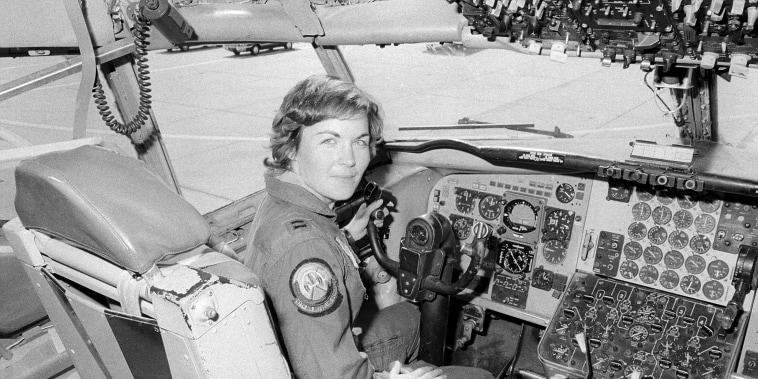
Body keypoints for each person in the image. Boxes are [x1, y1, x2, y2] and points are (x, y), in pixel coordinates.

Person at [239, 75, 493, 379]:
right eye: (329, 141)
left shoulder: (282, 204)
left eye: (358, 142)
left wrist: (344, 237)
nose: (349, 160)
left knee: (411, 316)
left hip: (307, 350)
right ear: (291, 148)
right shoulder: (304, 249)